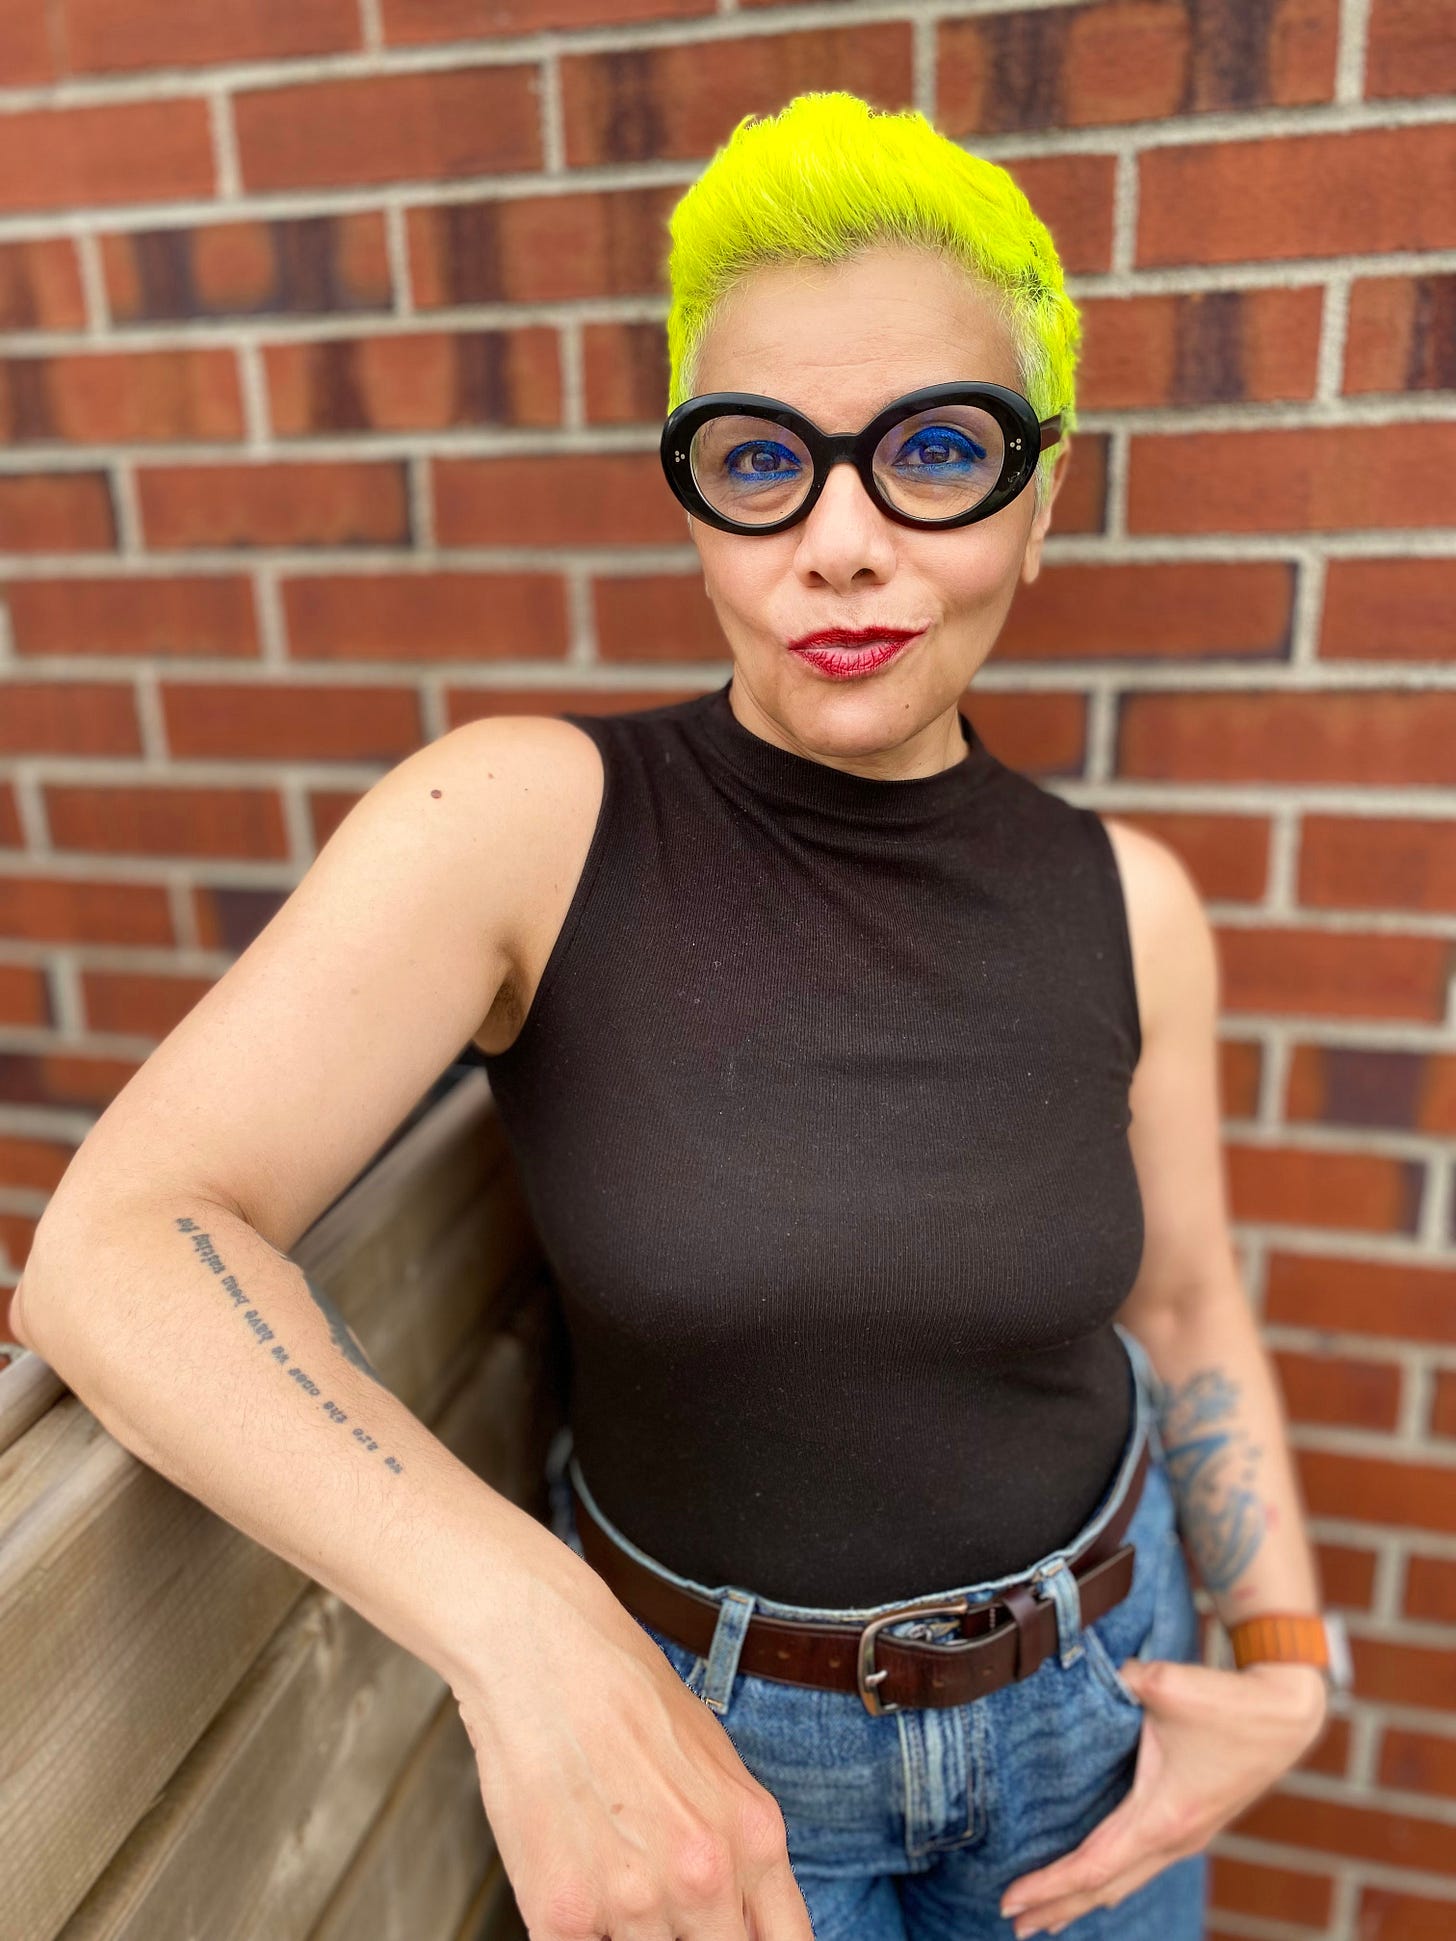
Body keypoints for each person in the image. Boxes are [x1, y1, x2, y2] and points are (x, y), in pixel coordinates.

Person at [9, 90, 1339, 1941]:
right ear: (698, 501)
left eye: (936, 450)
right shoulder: (525, 825)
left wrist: (1283, 1652)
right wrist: (522, 1619)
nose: (843, 540)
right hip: (706, 1767)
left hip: (1096, 1724)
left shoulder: (1134, 906)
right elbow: (116, 1241)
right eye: (762, 458)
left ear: (1042, 499)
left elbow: (1186, 1302)